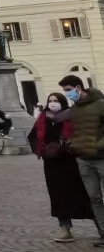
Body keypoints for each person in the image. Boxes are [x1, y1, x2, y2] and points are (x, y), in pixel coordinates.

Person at [30, 91, 99, 243]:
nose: (53, 103)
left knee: (84, 193)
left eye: (56, 100)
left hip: (70, 161)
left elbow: (81, 134)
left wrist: (72, 146)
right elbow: (33, 136)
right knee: (58, 197)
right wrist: (41, 149)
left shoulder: (71, 116)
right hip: (52, 164)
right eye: (50, 100)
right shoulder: (43, 118)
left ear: (62, 102)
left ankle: (100, 227)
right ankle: (65, 228)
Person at [60, 74, 104, 246]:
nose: (67, 94)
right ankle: (103, 233)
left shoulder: (100, 104)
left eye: (69, 90)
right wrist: (72, 144)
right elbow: (73, 131)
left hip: (101, 157)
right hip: (84, 159)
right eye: (65, 91)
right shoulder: (75, 109)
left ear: (78, 87)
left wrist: (98, 145)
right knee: (94, 198)